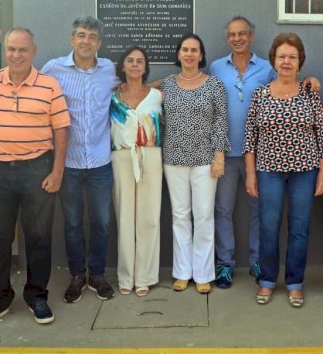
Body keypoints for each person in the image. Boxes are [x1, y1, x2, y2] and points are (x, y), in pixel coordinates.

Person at [0, 28, 70, 329]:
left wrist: (57, 172)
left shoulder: (49, 85)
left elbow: (61, 130)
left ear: (34, 51)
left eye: (22, 50)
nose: (16, 55)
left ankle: (36, 296)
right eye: (11, 49)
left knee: (39, 238)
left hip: (37, 169)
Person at [244, 33, 323, 308]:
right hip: (268, 170)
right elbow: (250, 138)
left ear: (299, 61)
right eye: (282, 56)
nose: (286, 61)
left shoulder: (310, 95)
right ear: (274, 60)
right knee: (268, 227)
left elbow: (321, 137)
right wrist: (250, 173)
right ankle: (267, 280)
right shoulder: (260, 95)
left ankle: (295, 283)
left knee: (299, 228)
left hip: (305, 170)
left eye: (292, 56)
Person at [41, 16, 117, 303]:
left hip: (100, 162)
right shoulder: (53, 69)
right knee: (72, 223)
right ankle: (77, 275)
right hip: (68, 163)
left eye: (92, 36)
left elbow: (133, 86)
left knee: (101, 222)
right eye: (81, 35)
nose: (86, 41)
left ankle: (96, 274)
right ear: (72, 39)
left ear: (99, 42)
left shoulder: (109, 69)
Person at [208, 16, 275, 287]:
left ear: (252, 36)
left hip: (258, 154)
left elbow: (286, 89)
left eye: (242, 34)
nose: (237, 38)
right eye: (232, 34)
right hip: (223, 152)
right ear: (227, 38)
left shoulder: (268, 68)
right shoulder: (215, 67)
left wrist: (312, 82)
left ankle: (257, 260)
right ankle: (225, 264)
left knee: (259, 209)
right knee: (223, 209)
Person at [161, 33, 229, 295]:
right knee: (179, 216)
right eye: (185, 50)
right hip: (174, 158)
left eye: (194, 50)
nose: (189, 54)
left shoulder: (214, 85)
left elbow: (221, 121)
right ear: (178, 54)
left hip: (205, 160)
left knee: (203, 215)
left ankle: (202, 273)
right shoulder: (167, 84)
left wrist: (219, 156)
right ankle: (182, 272)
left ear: (201, 55)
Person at [110, 46, 163, 297]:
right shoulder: (112, 96)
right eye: (130, 60)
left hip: (151, 156)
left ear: (145, 67)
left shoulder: (157, 95)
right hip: (121, 157)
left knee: (149, 218)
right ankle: (126, 275)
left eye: (139, 61)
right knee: (125, 217)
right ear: (123, 66)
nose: (134, 64)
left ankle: (145, 276)